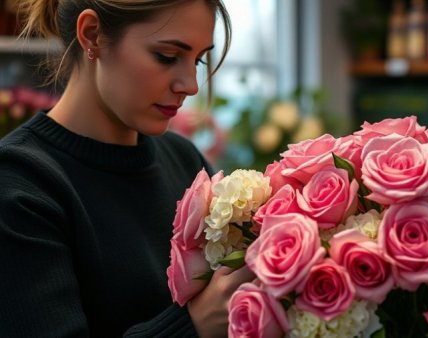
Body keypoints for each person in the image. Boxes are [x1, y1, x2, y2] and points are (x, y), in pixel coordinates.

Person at [0, 0, 254, 337]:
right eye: (167, 56)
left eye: (198, 59)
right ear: (92, 35)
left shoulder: (184, 160)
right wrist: (194, 325)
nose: (191, 85)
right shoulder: (19, 182)